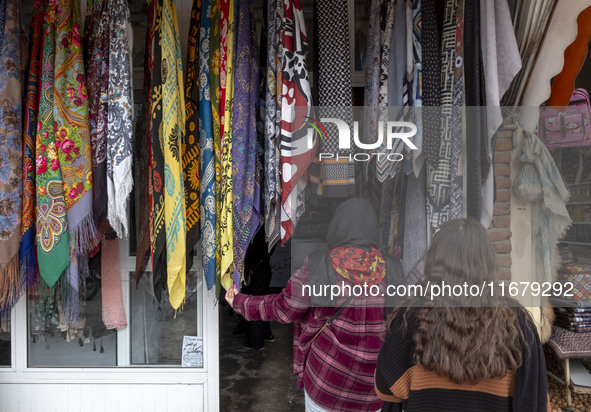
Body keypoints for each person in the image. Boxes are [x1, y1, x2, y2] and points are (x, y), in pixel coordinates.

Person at [225, 198, 404, 412]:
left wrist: (239, 301)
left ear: (337, 227)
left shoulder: (320, 266)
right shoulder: (393, 270)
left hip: (325, 383)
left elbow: (283, 308)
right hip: (372, 389)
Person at [375, 218, 549, 412]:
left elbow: (386, 391)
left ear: (434, 261)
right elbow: (534, 401)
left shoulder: (407, 319)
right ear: (488, 263)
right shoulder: (518, 322)